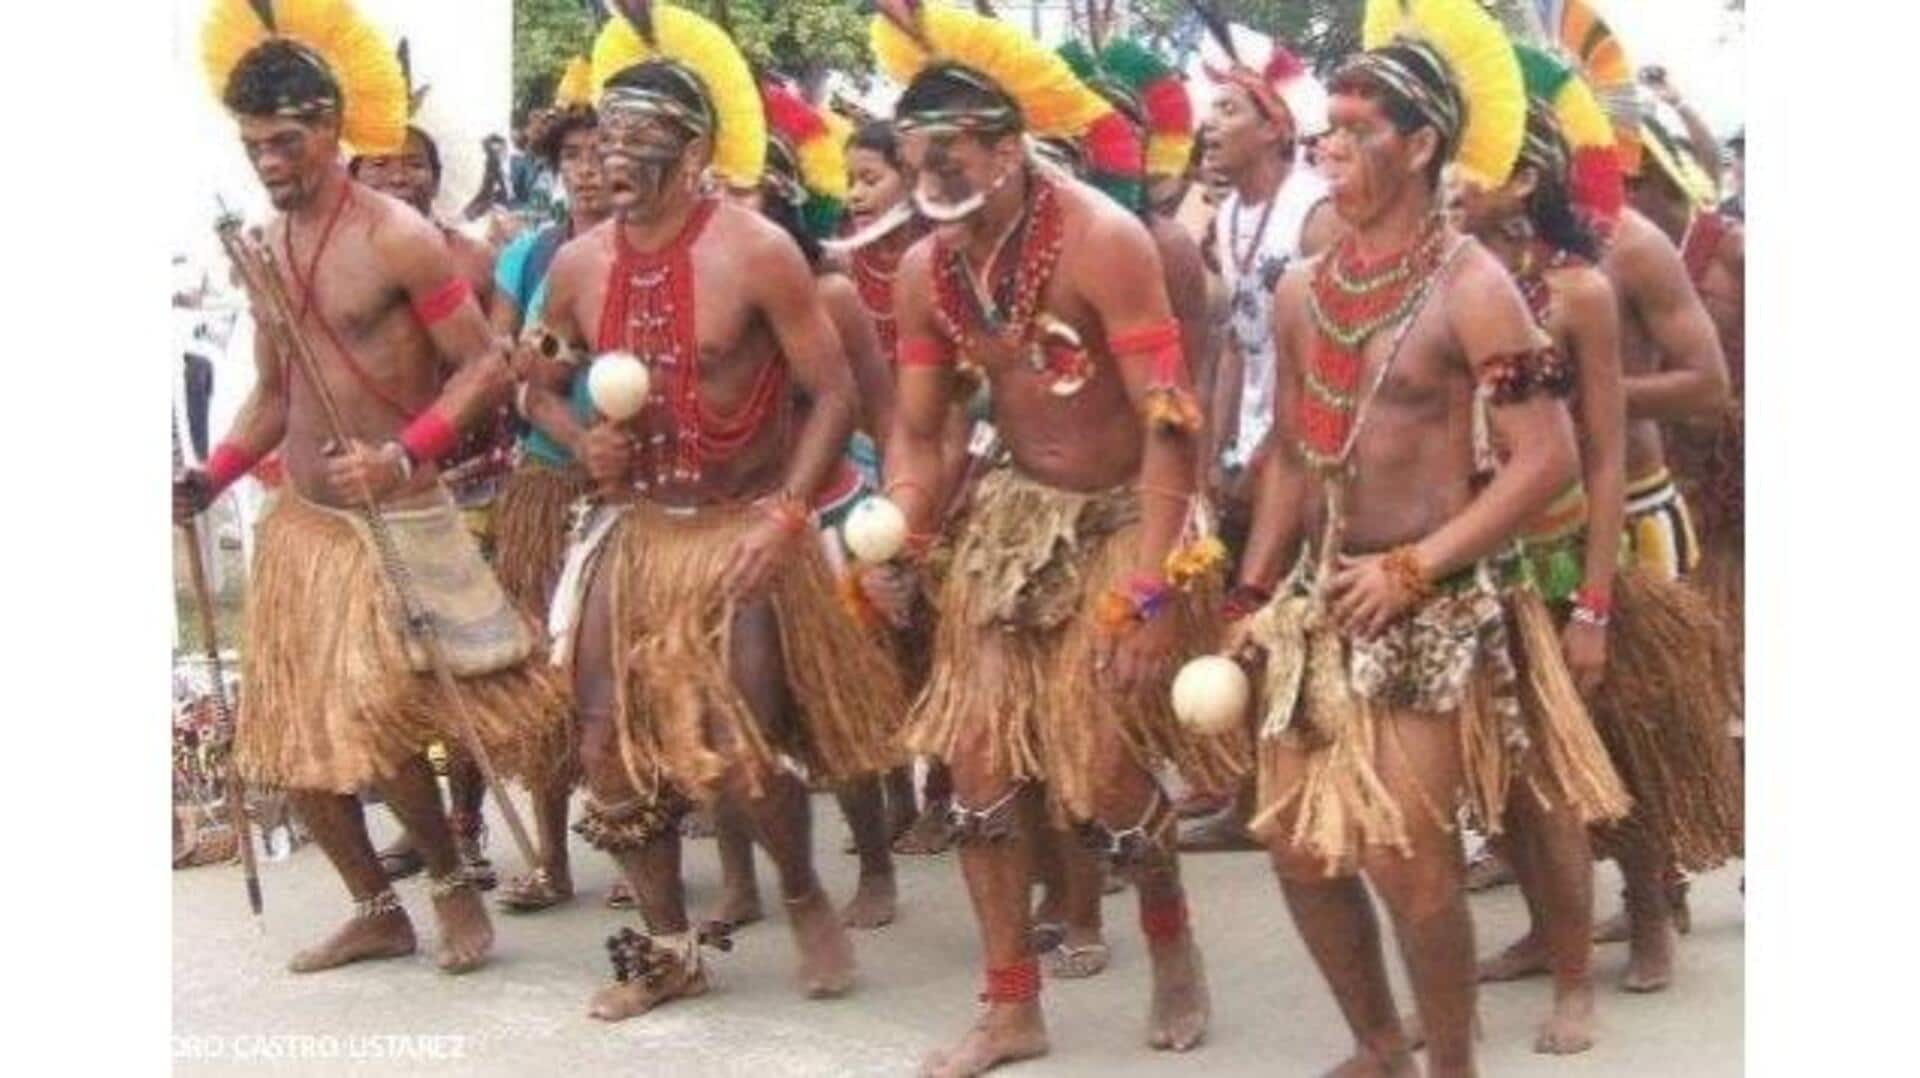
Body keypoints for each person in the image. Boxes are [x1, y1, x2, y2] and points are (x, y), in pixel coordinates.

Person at [870, 4, 1246, 1072]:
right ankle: (1009, 1003)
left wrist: (1150, 586)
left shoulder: (1106, 241)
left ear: (1008, 144)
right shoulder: (923, 268)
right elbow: (922, 420)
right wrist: (898, 520)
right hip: (1013, 516)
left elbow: (1173, 418)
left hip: (1130, 508)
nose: (931, 176)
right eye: (914, 158)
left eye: (950, 153)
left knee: (1109, 774)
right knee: (976, 765)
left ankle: (1170, 937)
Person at [528, 2, 904, 1021]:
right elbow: (534, 382)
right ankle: (663, 945)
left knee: (744, 742)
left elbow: (831, 393)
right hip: (635, 531)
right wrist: (579, 438)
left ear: (694, 149)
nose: (612, 160)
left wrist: (788, 514)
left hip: (743, 524)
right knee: (605, 742)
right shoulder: (576, 264)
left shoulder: (758, 253)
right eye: (605, 139)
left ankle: (800, 888)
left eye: (639, 139)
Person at [1225, 2, 1577, 1073]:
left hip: (1433, 601)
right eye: (1327, 127)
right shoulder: (1301, 287)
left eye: (1359, 131)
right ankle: (1380, 1043)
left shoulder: (1478, 290)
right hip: (1325, 595)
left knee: (1412, 862)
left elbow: (1546, 456)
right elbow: (1291, 448)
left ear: (1422, 145)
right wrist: (1247, 593)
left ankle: (1452, 1064)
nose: (1332, 148)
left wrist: (1419, 565)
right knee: (1295, 846)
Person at [183, 0, 564, 975]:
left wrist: (402, 451)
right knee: (287, 735)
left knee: (377, 720)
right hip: (305, 527)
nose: (268, 159)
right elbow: (274, 394)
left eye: (285, 138)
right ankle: (374, 905)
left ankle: (445, 883)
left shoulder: (397, 236)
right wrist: (211, 474)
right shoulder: (264, 245)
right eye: (252, 142)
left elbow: (484, 365)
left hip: (390, 516)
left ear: (330, 127)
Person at [1453, 59, 1636, 1053]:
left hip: (1551, 562)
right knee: (1496, 781)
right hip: (1457, 559)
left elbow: (1603, 459)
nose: (1445, 179)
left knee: (1551, 783)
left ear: (1521, 180)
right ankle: (1539, 931)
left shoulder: (1579, 294)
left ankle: (1577, 979)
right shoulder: (1440, 280)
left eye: (1463, 162)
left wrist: (1595, 604)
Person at [349, 46, 514, 892]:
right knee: (386, 669)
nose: (399, 174)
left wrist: (422, 443)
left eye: (413, 162)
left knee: (460, 670)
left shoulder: (470, 260)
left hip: (463, 480)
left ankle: (468, 821)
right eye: (382, 161)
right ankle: (420, 827)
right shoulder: (336, 256)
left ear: (435, 172)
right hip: (367, 492)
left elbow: (487, 372)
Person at [1591, 98, 1739, 984]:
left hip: (1638, 507)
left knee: (1632, 720)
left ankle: (1652, 910)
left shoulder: (1631, 244)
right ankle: (1555, 921)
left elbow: (1704, 385)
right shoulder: (1481, 246)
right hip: (1524, 511)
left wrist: (1590, 393)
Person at [482, 72, 616, 915]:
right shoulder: (530, 257)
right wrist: (556, 414)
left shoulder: (656, 250)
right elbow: (511, 364)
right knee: (542, 669)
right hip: (548, 482)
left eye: (605, 152)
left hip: (639, 487)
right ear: (555, 167)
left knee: (627, 671)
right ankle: (552, 858)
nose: (592, 169)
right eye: (575, 155)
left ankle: (643, 843)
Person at [1194, 20, 1341, 556]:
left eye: (1229, 110)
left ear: (1276, 129)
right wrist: (1221, 450)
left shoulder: (1316, 213)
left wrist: (1278, 452)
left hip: (1312, 449)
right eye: (1211, 108)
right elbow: (1236, 343)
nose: (1208, 124)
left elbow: (1336, 363)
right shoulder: (1229, 215)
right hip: (1251, 449)